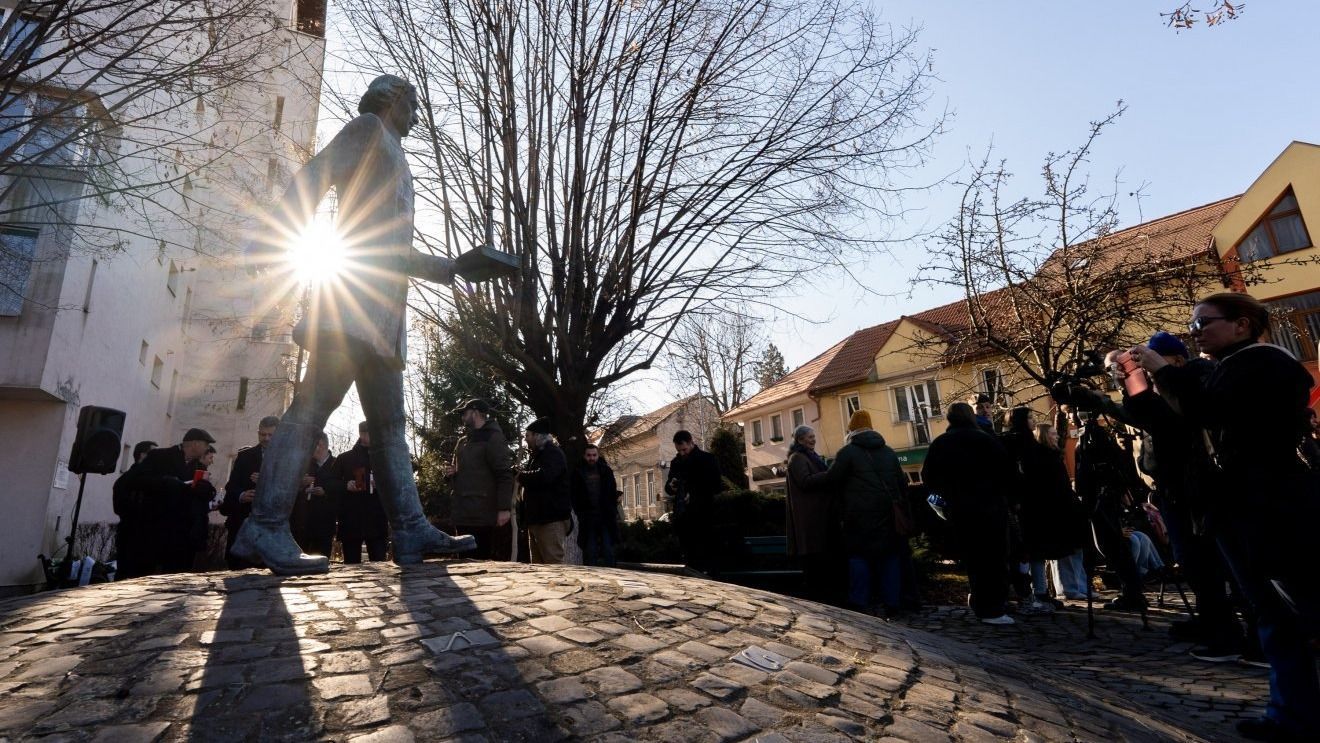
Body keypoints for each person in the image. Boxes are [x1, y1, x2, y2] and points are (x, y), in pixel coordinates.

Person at [233, 74, 477, 574]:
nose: (417, 116)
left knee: (390, 427)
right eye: (412, 104)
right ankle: (264, 524)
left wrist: (452, 267)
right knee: (310, 409)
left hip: (383, 313)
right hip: (351, 302)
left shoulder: (396, 153)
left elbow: (392, 249)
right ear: (392, 100)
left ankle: (409, 529)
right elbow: (315, 175)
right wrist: (276, 234)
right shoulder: (367, 129)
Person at [1131, 292, 1319, 741]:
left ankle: (1295, 714)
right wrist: (1138, 381)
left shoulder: (1263, 363)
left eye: (1203, 323)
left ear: (1242, 324)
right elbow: (1171, 419)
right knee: (1274, 614)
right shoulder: (1226, 367)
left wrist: (1161, 372)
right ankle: (1290, 714)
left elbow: (1208, 412)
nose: (1195, 333)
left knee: (1293, 611)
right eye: (1192, 326)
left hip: (1271, 509)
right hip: (1238, 509)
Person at [1119, 330, 1246, 662]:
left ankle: (1231, 633)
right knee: (1194, 563)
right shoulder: (1164, 390)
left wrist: (1159, 375)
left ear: (1176, 360)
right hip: (1175, 489)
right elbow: (1145, 416)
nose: (1148, 369)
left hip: (1200, 488)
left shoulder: (1194, 380)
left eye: (1152, 361)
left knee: (1214, 564)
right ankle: (1214, 624)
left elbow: (1175, 419)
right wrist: (1128, 382)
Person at [923, 402, 1016, 625]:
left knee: (974, 559)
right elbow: (1008, 473)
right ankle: (992, 608)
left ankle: (980, 600)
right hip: (990, 507)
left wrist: (948, 495)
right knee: (994, 558)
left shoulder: (941, 443)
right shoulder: (985, 440)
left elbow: (929, 477)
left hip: (960, 510)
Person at [818, 410, 907, 618]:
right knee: (889, 558)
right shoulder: (889, 452)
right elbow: (901, 483)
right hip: (887, 515)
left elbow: (831, 479)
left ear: (851, 429)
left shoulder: (847, 452)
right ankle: (892, 603)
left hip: (857, 515)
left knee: (859, 557)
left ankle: (859, 602)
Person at [1001, 407, 1086, 614]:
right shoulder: (1016, 444)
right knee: (1030, 552)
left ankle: (1040, 591)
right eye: (1029, 417)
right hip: (1030, 505)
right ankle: (1032, 593)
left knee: (1038, 551)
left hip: (1040, 505)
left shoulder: (1032, 445)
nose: (1033, 420)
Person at [123, 428, 217, 576]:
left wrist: (206, 490)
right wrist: (165, 482)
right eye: (206, 445)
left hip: (183, 537)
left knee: (175, 580)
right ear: (195, 444)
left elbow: (207, 494)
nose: (207, 449)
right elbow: (135, 480)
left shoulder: (199, 467)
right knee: (145, 578)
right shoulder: (160, 456)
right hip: (155, 531)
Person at [444, 399, 515, 560]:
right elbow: (460, 471)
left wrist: (504, 508)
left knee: (479, 563)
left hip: (482, 515)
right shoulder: (463, 441)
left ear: (475, 413)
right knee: (462, 563)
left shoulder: (493, 438)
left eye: (465, 413)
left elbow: (504, 474)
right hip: (462, 513)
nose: (462, 417)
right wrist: (451, 473)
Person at [785, 425, 841, 603]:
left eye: (813, 436)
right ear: (800, 439)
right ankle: (816, 596)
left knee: (821, 559)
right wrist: (828, 475)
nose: (813, 439)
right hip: (808, 519)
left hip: (817, 516)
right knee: (813, 562)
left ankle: (823, 595)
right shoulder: (797, 458)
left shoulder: (809, 456)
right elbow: (804, 481)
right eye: (810, 437)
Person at [1037, 424, 1088, 600]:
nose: (1057, 436)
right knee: (1064, 551)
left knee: (1074, 549)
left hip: (1066, 506)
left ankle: (1079, 585)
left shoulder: (1055, 456)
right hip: (1057, 509)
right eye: (1052, 434)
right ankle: (1069, 587)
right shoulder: (1045, 458)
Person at [220, 415, 278, 569]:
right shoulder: (245, 456)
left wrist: (266, 481)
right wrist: (241, 495)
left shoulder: (286, 459)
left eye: (270, 435)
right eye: (262, 434)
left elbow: (291, 490)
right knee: (236, 569)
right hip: (242, 522)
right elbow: (231, 486)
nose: (266, 438)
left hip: (269, 527)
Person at [664, 430, 724, 572]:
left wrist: (694, 494)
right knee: (687, 553)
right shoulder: (676, 462)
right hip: (683, 515)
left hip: (703, 514)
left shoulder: (707, 459)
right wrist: (671, 486)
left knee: (702, 552)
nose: (682, 453)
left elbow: (716, 485)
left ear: (691, 443)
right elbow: (668, 487)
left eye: (684, 449)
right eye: (679, 451)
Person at [516, 418, 571, 564]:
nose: (525, 439)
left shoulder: (553, 453)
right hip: (538, 520)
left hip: (550, 520)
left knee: (553, 564)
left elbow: (545, 476)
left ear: (537, 435)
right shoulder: (538, 455)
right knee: (538, 567)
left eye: (527, 435)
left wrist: (520, 476)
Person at [334, 421, 389, 563]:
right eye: (366, 433)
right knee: (352, 565)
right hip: (351, 519)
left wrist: (382, 485)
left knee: (379, 564)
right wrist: (346, 485)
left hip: (377, 519)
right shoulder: (345, 458)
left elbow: (397, 481)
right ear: (361, 434)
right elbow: (330, 484)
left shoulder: (385, 458)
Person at [290, 431, 342, 558]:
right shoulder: (305, 464)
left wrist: (325, 492)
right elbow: (291, 488)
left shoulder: (337, 464)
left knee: (320, 559)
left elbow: (342, 490)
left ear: (322, 445)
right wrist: (301, 484)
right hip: (302, 523)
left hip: (325, 523)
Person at [112, 440, 158, 579]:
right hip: (131, 534)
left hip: (144, 536)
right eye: (153, 454)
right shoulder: (129, 479)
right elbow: (120, 507)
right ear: (142, 455)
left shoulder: (151, 478)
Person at [570, 444, 620, 567]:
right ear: (584, 456)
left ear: (598, 455)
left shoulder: (606, 471)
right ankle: (591, 575)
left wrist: (612, 510)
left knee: (608, 550)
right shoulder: (578, 472)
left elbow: (612, 492)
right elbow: (574, 494)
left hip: (605, 516)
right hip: (588, 518)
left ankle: (612, 573)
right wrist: (580, 512)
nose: (591, 458)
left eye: (594, 455)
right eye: (589, 455)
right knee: (590, 551)